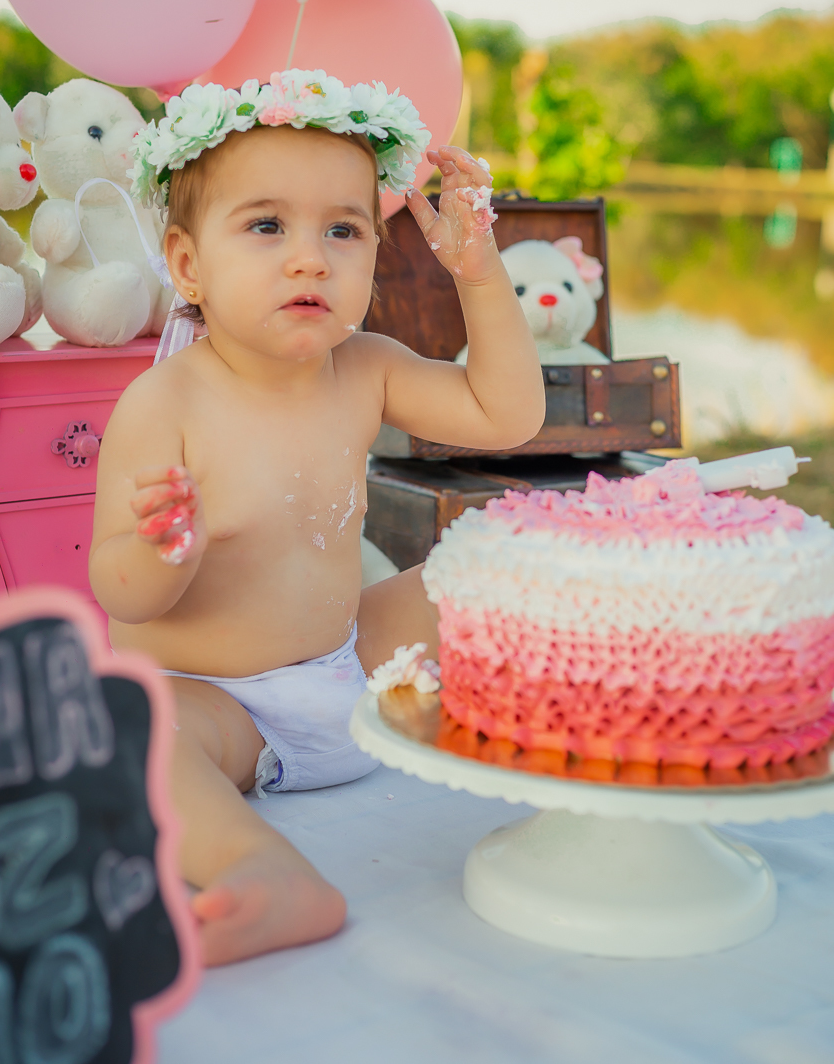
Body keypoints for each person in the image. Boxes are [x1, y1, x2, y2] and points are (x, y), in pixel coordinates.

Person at [90, 70, 545, 965]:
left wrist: (479, 276)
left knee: (501, 561)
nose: (311, 258)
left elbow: (508, 416)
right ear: (188, 264)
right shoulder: (164, 401)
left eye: (344, 230)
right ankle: (264, 873)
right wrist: (166, 550)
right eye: (267, 226)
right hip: (225, 708)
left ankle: (608, 743)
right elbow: (122, 592)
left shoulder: (365, 365)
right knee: (124, 729)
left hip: (357, 665)